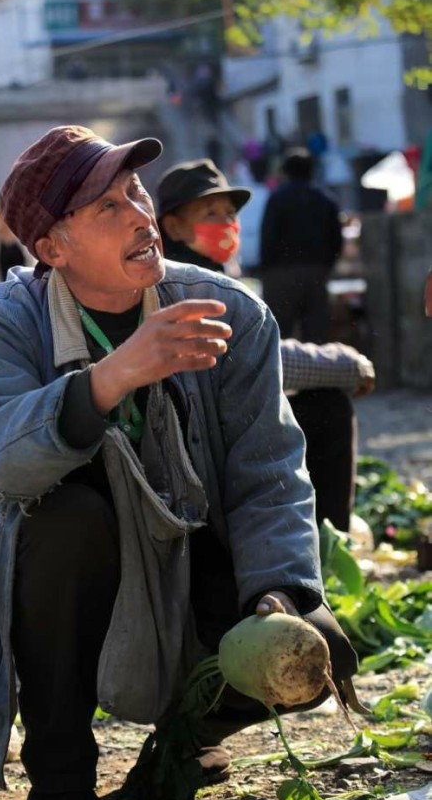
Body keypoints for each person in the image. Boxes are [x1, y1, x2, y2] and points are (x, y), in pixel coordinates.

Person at [0, 125, 359, 800]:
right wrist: (111, 378)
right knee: (59, 520)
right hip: (88, 576)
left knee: (314, 646)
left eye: (136, 190)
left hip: (197, 552)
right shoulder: (4, 323)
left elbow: (269, 474)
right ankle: (62, 773)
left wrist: (275, 590)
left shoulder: (228, 311)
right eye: (107, 207)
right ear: (53, 248)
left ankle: (184, 742)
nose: (141, 214)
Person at [156, 158, 375, 532]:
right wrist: (346, 364)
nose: (226, 223)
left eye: (229, 212)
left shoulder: (214, 274)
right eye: (210, 213)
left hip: (224, 420)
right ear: (173, 226)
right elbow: (263, 357)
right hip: (203, 439)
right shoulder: (189, 286)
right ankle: (324, 541)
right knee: (329, 408)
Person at [260, 147, 343, 343]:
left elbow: (268, 237)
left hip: (281, 274)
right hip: (316, 274)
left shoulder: (277, 198)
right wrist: (326, 267)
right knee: (316, 337)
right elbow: (336, 240)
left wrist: (266, 270)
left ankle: (282, 374)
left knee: (279, 337)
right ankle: (317, 374)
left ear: (286, 171)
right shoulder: (326, 200)